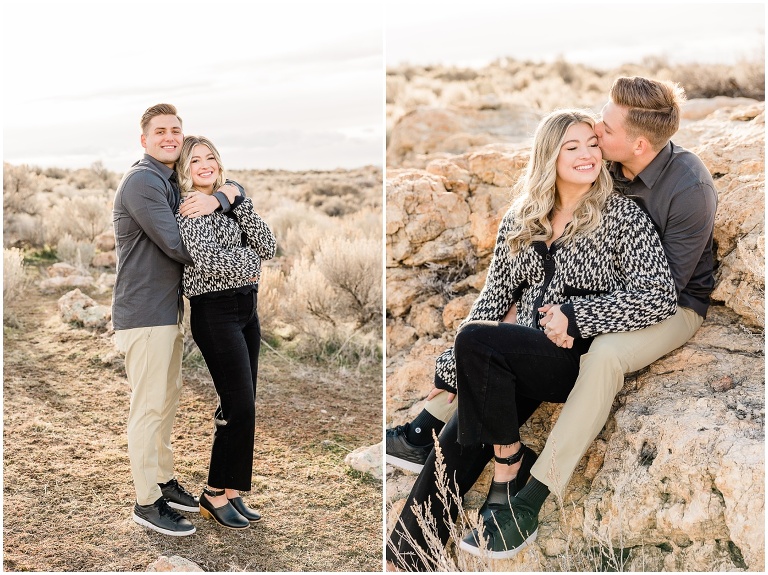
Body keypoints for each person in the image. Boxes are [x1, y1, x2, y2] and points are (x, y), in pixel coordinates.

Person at [388, 77, 718, 566]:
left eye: (598, 137)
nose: (593, 148)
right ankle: (408, 552)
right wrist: (453, 369)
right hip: (531, 345)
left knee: (482, 347)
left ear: (636, 144)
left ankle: (512, 473)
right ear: (550, 157)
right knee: (462, 429)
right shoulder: (522, 220)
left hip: (581, 346)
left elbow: (658, 295)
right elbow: (494, 297)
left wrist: (573, 315)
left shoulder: (628, 213)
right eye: (577, 144)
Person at [113, 104, 240, 537]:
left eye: (176, 131)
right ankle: (146, 501)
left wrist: (223, 194)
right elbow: (177, 242)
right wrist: (238, 260)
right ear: (144, 139)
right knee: (148, 408)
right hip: (145, 314)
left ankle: (163, 481)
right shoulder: (143, 181)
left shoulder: (169, 179)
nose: (169, 137)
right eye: (160, 131)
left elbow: (223, 182)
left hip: (166, 312)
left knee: (165, 402)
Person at [175, 136, 277, 530]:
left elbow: (267, 244)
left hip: (246, 308)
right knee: (240, 406)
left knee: (244, 401)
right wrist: (250, 263)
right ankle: (214, 493)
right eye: (195, 160)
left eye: (210, 157)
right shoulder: (188, 210)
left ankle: (233, 491)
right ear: (185, 168)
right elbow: (212, 262)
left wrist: (233, 198)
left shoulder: (229, 200)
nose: (205, 165)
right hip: (214, 313)